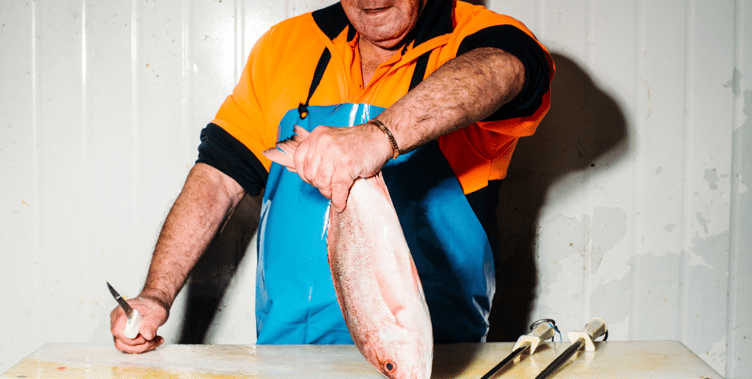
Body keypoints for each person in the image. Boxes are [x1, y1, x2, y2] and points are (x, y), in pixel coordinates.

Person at [110, 0, 554, 354]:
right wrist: (156, 294)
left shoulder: (478, 38)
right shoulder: (284, 47)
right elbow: (218, 175)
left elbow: (508, 68)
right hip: (292, 364)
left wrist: (379, 137)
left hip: (427, 360)